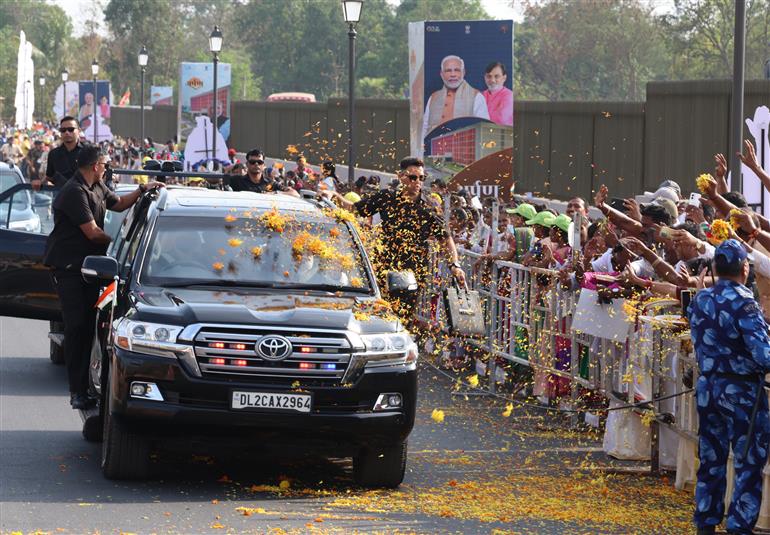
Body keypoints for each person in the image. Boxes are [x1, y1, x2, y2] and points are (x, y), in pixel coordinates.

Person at [43, 144, 165, 409]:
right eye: (106, 164)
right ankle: (77, 391)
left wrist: (142, 190)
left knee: (89, 327)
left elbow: (119, 204)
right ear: (95, 166)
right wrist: (122, 248)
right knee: (76, 328)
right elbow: (94, 233)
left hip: (89, 268)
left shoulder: (97, 186)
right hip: (69, 270)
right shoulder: (74, 192)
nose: (108, 167)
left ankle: (86, 386)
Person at [688, 239, 770, 534]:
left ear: (716, 269)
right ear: (744, 269)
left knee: (711, 459)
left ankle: (706, 523)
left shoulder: (700, 299)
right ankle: (738, 527)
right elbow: (764, 356)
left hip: (708, 389)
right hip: (742, 394)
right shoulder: (745, 302)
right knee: (748, 464)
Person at [323, 157, 466, 320]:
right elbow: (354, 209)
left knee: (402, 319)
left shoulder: (429, 205)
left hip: (412, 273)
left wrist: (455, 264)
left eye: (421, 178)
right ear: (401, 176)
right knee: (379, 315)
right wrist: (333, 194)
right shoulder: (386, 197)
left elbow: (445, 239)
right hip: (383, 266)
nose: (417, 182)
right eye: (413, 177)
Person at [422, 55, 490, 141]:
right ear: (441, 74)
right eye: (448, 71)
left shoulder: (476, 96)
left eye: (457, 70)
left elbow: (484, 129)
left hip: (464, 149)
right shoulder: (433, 97)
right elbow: (424, 129)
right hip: (433, 150)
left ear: (463, 72)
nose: (453, 74)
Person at [35, 116, 84, 189]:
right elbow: (49, 178)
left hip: (83, 198)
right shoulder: (53, 154)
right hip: (60, 197)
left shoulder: (87, 152)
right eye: (63, 130)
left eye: (71, 129)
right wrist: (39, 183)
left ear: (79, 131)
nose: (67, 133)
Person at [229, 148, 299, 197]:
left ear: (264, 165)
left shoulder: (270, 183)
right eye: (252, 162)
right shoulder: (236, 180)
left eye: (259, 162)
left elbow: (295, 193)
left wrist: (274, 193)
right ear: (247, 164)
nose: (256, 164)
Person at [481, 62, 513, 126]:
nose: (492, 80)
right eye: (489, 76)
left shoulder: (509, 95)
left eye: (496, 76)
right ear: (485, 78)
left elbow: (501, 119)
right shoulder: (480, 96)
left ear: (504, 78)